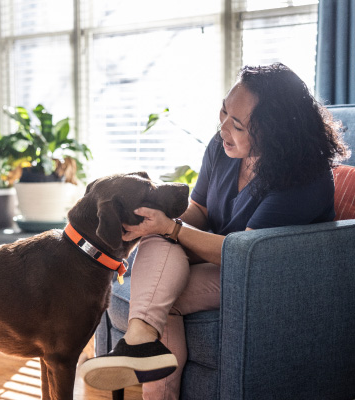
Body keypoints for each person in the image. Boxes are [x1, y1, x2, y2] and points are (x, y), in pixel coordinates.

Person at [80, 63, 350, 399]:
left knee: (163, 293)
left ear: (274, 132)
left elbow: (243, 253)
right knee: (156, 239)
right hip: (222, 259)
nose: (222, 127)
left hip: (268, 276)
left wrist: (173, 230)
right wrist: (157, 223)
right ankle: (138, 341)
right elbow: (201, 212)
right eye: (223, 111)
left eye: (237, 125)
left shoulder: (302, 177)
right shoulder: (223, 148)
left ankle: (141, 351)